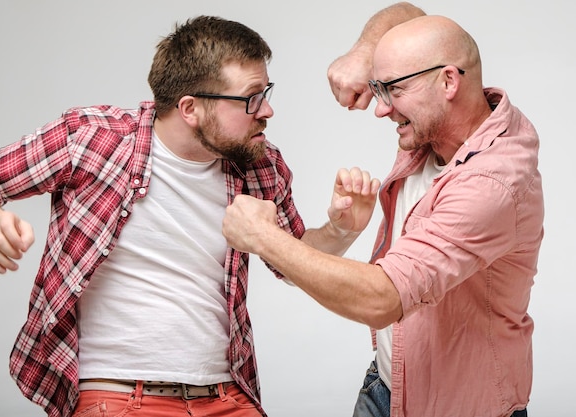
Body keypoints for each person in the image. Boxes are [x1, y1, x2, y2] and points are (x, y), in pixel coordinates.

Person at [0, 16, 386, 417]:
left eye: (266, 94)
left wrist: (340, 229)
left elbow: (292, 261)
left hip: (227, 396)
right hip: (119, 397)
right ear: (190, 107)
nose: (267, 111)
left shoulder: (259, 164)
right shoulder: (94, 139)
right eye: (251, 99)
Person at [222, 6, 543, 417]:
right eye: (379, 89)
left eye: (392, 90)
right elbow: (409, 14)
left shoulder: (492, 182)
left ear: (448, 81)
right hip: (386, 386)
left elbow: (383, 298)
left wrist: (264, 237)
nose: (380, 108)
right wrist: (364, 52)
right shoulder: (444, 122)